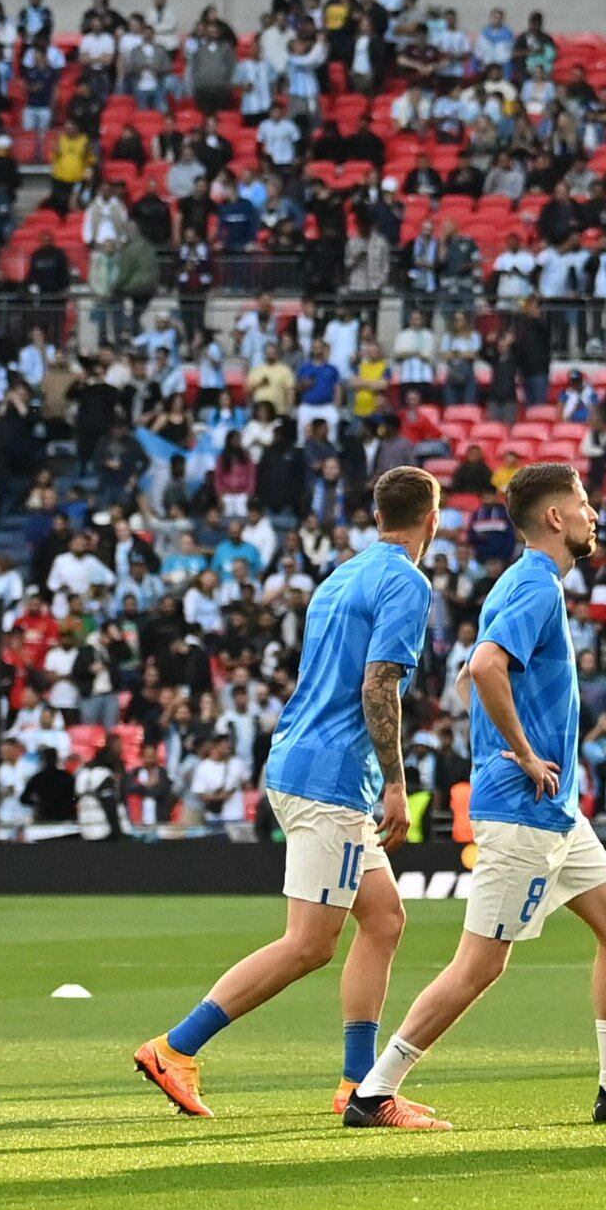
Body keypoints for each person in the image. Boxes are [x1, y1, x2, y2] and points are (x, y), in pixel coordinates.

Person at [343, 464, 606, 1132]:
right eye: (585, 502)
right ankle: (373, 1091)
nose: (595, 513)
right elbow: (483, 665)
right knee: (480, 964)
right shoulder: (536, 584)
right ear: (556, 518)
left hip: (554, 809)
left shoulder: (530, 582)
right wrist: (527, 752)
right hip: (523, 805)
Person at [135, 463, 442, 1122]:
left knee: (384, 919)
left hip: (303, 760)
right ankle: (175, 1047)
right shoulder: (407, 584)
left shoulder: (339, 576)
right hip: (332, 777)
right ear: (432, 520)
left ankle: (358, 1085)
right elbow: (378, 685)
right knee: (309, 941)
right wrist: (397, 780)